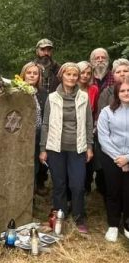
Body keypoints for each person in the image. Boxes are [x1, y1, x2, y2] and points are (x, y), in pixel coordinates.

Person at [39, 62, 93, 233]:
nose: (71, 78)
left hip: (77, 147)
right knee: (59, 184)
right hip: (56, 147)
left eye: (75, 75)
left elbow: (89, 123)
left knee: (77, 185)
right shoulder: (52, 97)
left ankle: (79, 217)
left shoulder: (83, 97)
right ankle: (59, 215)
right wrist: (42, 148)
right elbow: (46, 124)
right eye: (68, 74)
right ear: (62, 76)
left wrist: (89, 146)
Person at [97, 77, 129, 242]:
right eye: (122, 90)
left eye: (128, 90)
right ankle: (113, 225)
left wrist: (127, 159)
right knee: (113, 191)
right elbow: (103, 138)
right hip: (111, 158)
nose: (126, 93)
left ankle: (127, 225)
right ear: (117, 93)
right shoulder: (107, 112)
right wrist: (119, 159)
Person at [20, 62, 48, 195]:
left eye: (35, 73)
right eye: (29, 73)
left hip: (37, 135)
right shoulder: (17, 91)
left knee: (34, 166)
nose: (32, 75)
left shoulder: (43, 93)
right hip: (21, 136)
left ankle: (31, 196)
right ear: (23, 74)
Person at [77, 61, 99, 193]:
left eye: (88, 73)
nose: (85, 75)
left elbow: (95, 109)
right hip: (72, 129)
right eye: (82, 72)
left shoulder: (94, 89)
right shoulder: (70, 87)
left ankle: (86, 185)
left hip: (88, 128)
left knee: (88, 158)